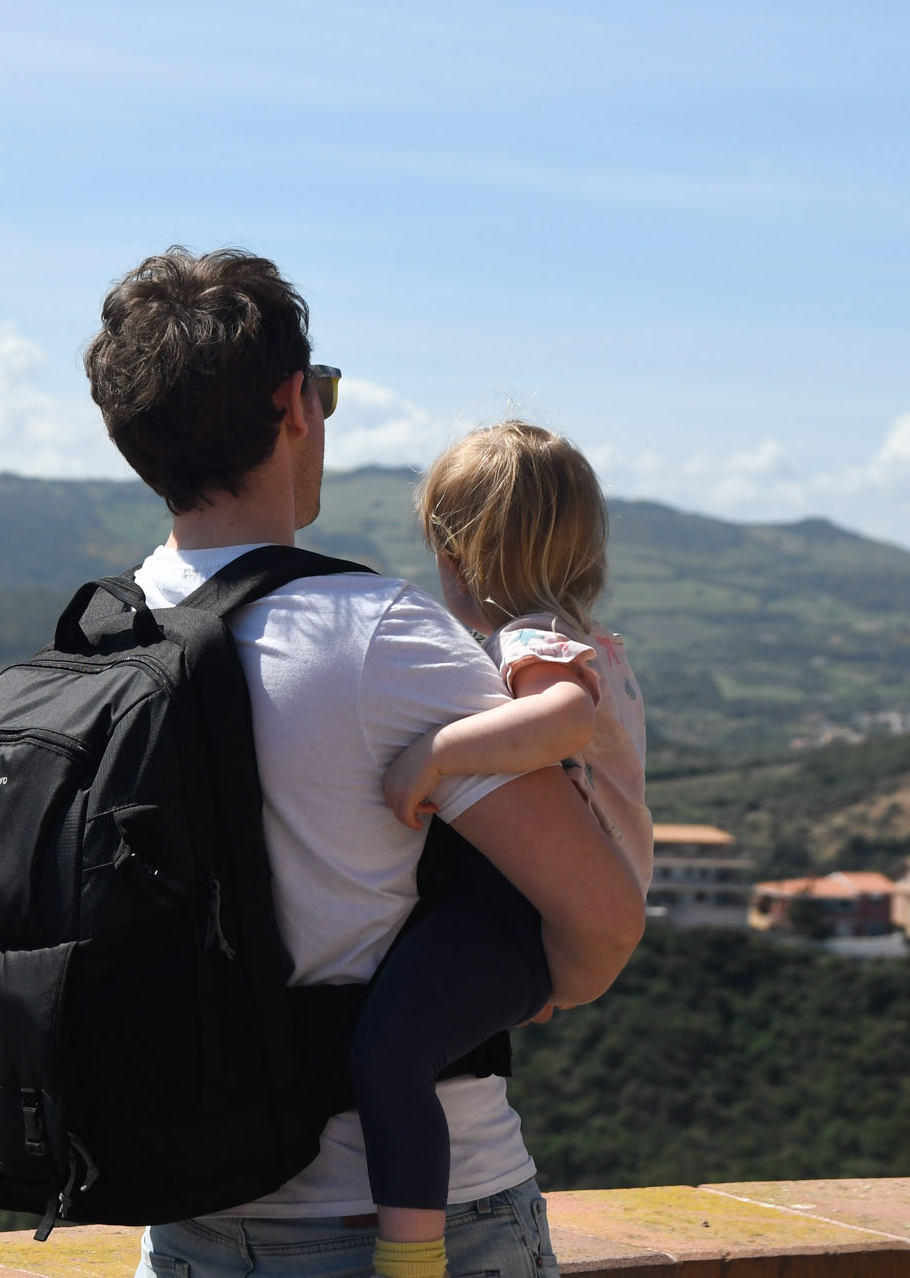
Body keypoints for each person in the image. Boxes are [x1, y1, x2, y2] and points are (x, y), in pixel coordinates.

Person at [81, 247, 646, 1278]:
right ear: (294, 404)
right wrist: (549, 978)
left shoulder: (105, 637)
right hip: (411, 1218)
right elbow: (603, 919)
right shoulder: (386, 638)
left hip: (188, 1214)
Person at [354, 422, 655, 1276]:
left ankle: (410, 1259)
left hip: (526, 913)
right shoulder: (588, 640)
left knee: (390, 1050)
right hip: (549, 916)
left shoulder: (531, 641)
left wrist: (439, 752)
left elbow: (563, 720)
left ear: (456, 557)